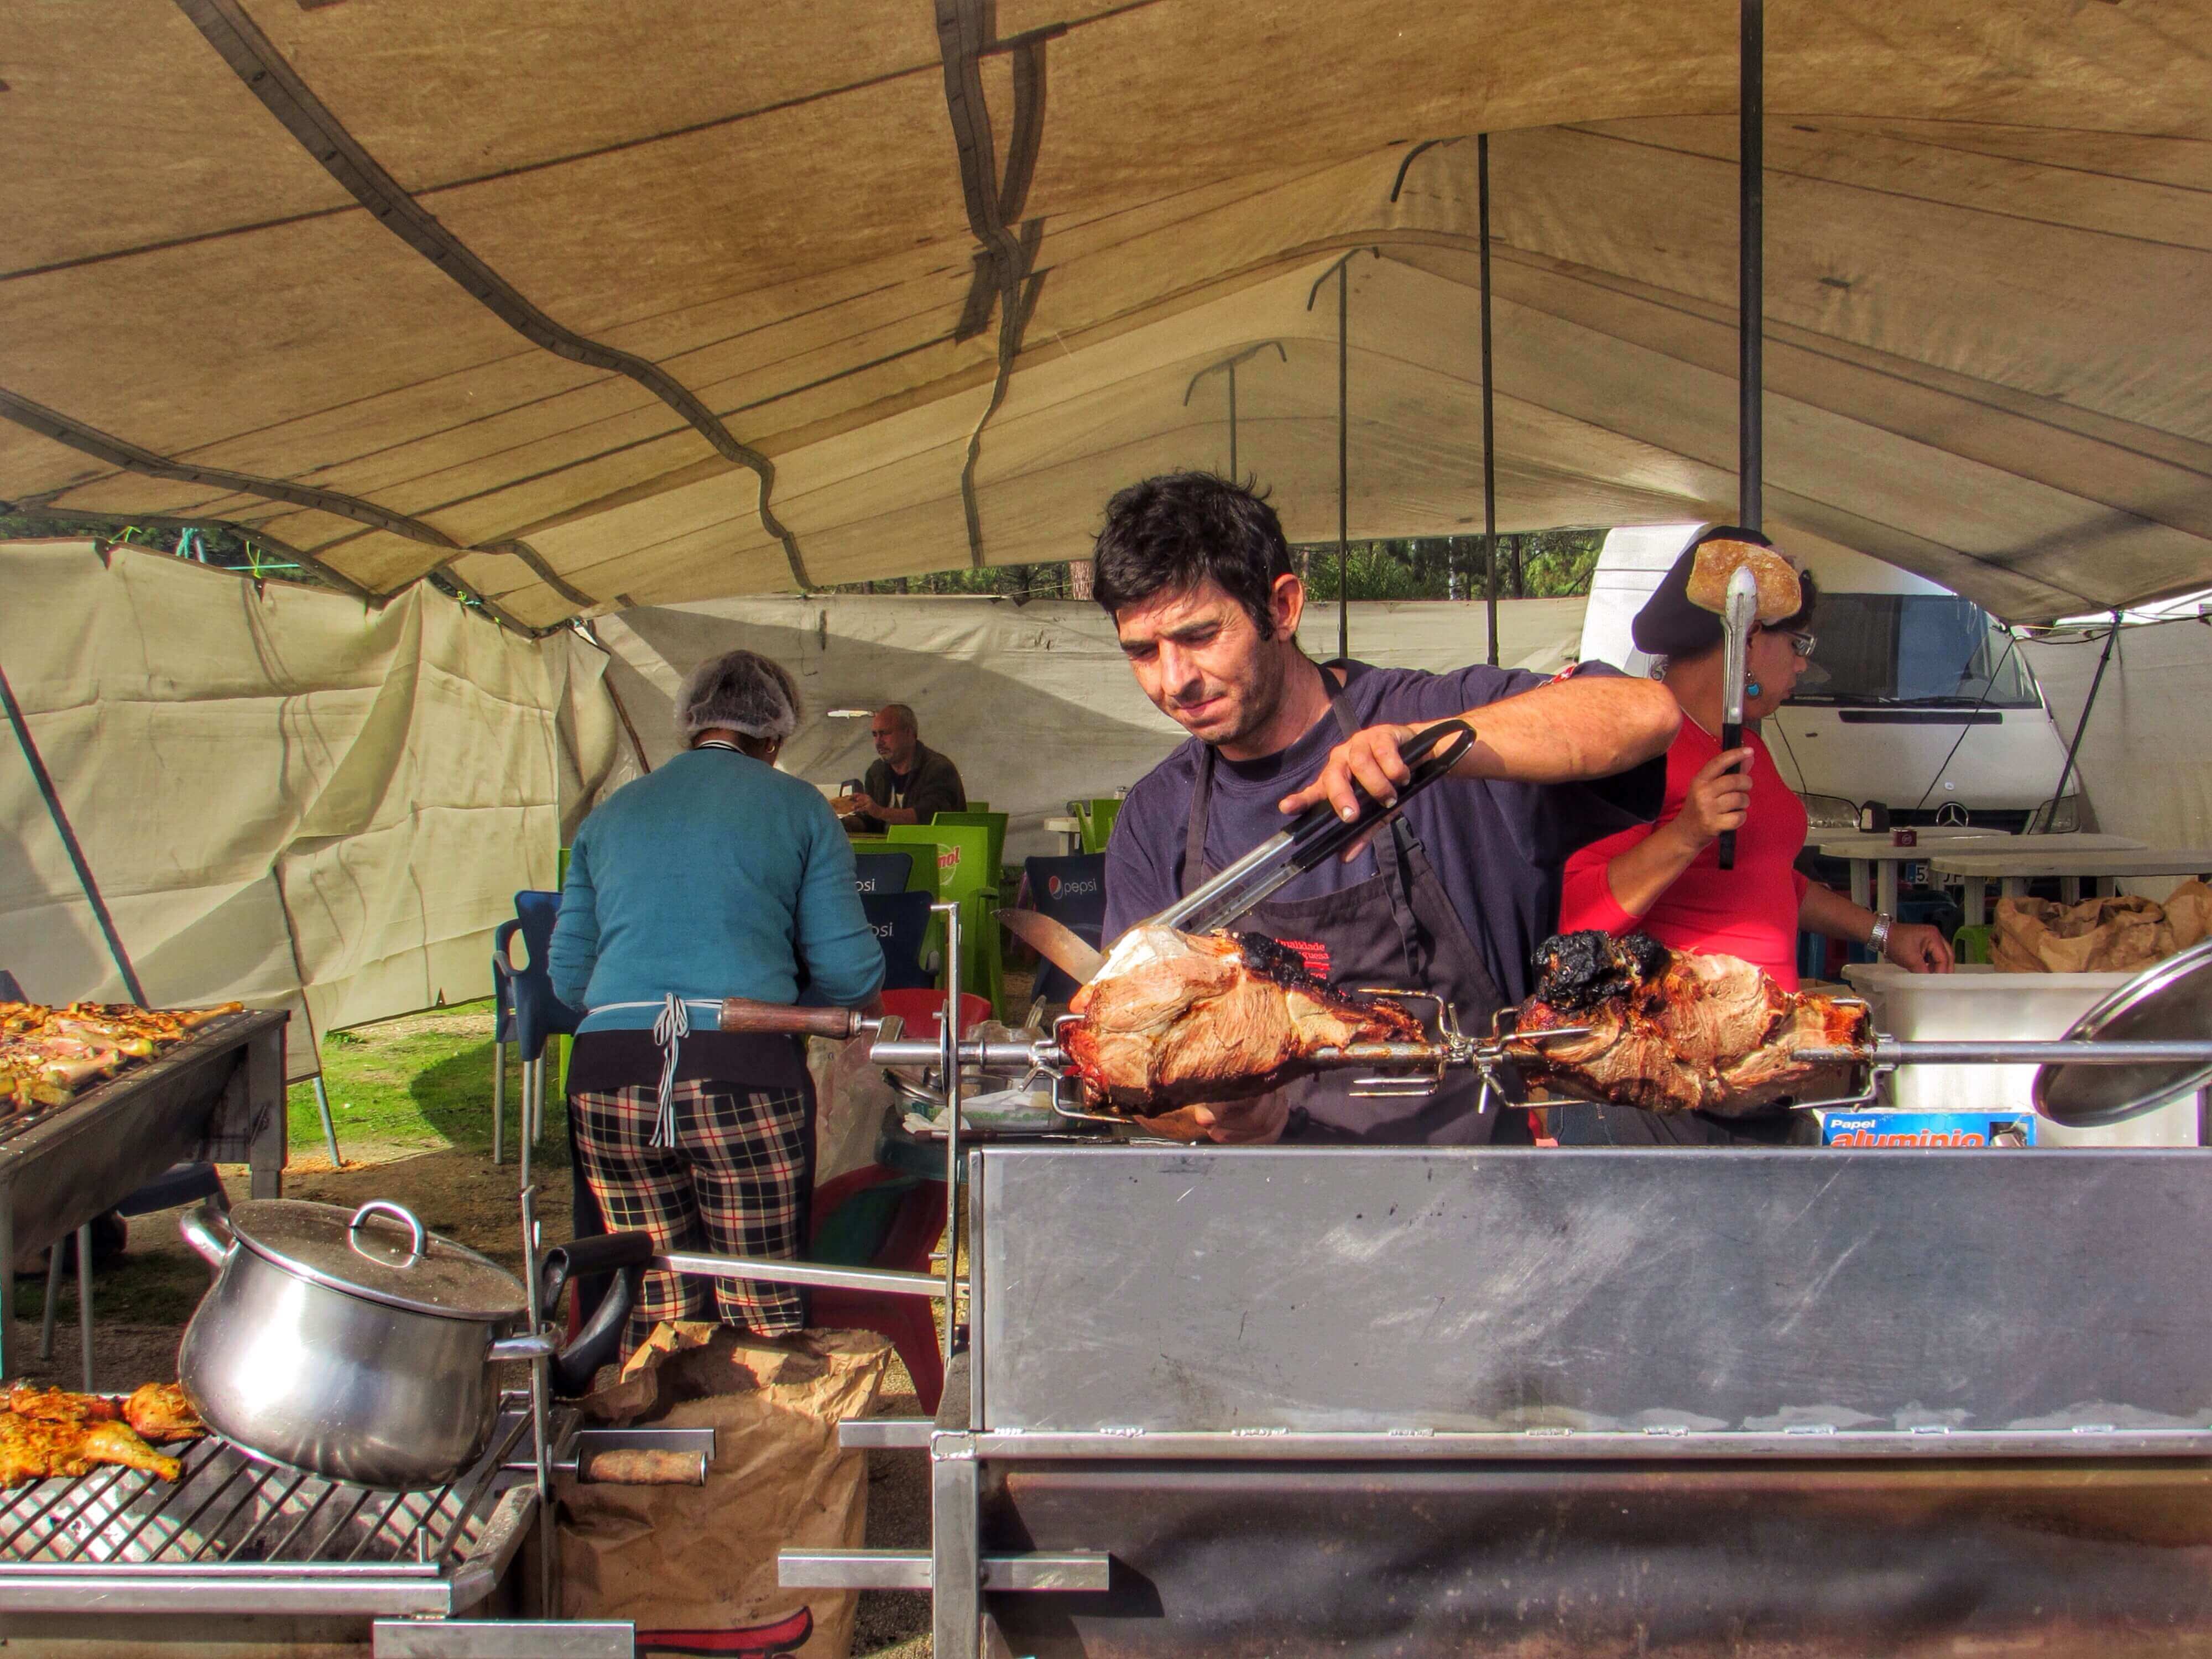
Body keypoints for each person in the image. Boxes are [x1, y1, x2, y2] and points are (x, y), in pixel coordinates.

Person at [1093, 472, 1681, 1146]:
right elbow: (1130, 1064)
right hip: (1260, 1216)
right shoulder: (1153, 815)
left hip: (1471, 1207)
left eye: (1199, 636)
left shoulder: (1429, 716)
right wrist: (1204, 1115)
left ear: (1282, 608)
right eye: (1142, 652)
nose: (1174, 680)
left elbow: (1647, 711)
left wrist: (1433, 749)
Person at [1553, 525, 1953, 1146]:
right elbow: (1577, 913)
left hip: (1763, 1074)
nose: (1802, 663)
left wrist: (1882, 932)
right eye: (1796, 642)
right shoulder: (1636, 745)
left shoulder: (1747, 752)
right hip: (1662, 1089)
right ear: (1744, 635)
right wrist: (1688, 831)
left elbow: (1766, 878)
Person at [550, 650, 884, 1356]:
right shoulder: (799, 808)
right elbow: (852, 976)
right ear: (776, 735)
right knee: (756, 1291)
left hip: (610, 1075)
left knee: (654, 1294)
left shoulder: (609, 817)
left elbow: (569, 981)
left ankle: (658, 1439)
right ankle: (755, 1444)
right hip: (744, 1071)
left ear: (689, 724)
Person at [832, 703, 967, 829]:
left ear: (909, 733)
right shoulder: (876, 772)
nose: (879, 742)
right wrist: (839, 823)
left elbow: (928, 818)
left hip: (940, 851)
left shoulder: (939, 769)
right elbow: (871, 823)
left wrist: (879, 812)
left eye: (885, 733)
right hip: (890, 852)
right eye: (875, 735)